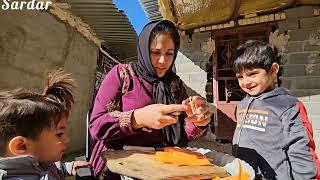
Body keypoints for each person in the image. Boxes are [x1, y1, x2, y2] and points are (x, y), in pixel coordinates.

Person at [89, 20, 211, 178]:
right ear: (144, 50)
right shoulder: (122, 75)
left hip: (161, 168)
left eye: (169, 53)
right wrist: (136, 118)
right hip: (117, 167)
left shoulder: (175, 84)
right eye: (155, 52)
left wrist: (198, 122)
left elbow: (182, 134)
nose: (163, 61)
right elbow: (96, 126)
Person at [232, 40, 320, 179]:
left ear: (273, 70)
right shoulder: (242, 105)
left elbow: (301, 151)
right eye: (240, 77)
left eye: (252, 74)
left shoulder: (288, 106)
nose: (246, 82)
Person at [0, 70, 91, 179]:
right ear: (21, 146)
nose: (67, 139)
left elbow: (51, 168)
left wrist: (67, 168)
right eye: (59, 134)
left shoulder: (39, 160)